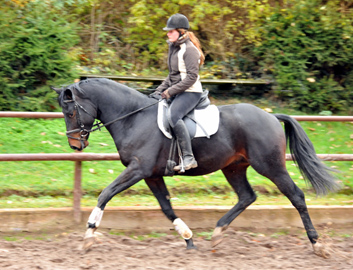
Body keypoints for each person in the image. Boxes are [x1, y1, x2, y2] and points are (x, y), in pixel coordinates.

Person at [150, 13, 205, 172]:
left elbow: (192, 77)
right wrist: (159, 91)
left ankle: (189, 157)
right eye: (168, 31)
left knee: (173, 116)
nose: (168, 34)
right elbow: (172, 75)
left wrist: (169, 92)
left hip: (191, 92)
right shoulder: (174, 48)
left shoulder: (189, 50)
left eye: (171, 31)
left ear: (181, 32)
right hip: (178, 90)